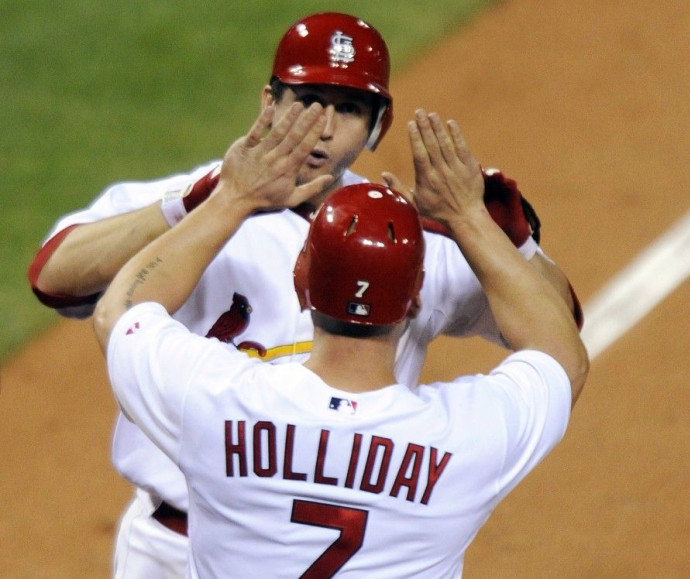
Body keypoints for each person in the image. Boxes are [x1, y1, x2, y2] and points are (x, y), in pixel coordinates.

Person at [28, 12, 582, 578]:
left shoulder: (398, 236)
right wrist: (203, 200)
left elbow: (556, 316)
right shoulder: (193, 206)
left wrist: (511, 246)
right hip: (174, 541)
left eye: (347, 109)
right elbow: (53, 275)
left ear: (376, 126)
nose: (322, 126)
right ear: (269, 100)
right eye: (307, 99)